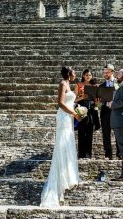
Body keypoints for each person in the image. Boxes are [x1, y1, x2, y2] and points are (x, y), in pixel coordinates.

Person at [40, 66, 81, 207]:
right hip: (64, 116)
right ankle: (59, 180)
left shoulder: (69, 84)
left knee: (67, 143)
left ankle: (67, 176)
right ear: (69, 74)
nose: (76, 75)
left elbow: (70, 101)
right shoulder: (63, 84)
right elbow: (61, 103)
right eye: (74, 73)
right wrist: (75, 113)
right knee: (62, 143)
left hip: (68, 116)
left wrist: (79, 103)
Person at [74, 69, 100, 159]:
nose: (88, 76)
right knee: (81, 132)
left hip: (92, 110)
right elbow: (74, 100)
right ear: (83, 76)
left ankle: (88, 154)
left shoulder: (95, 86)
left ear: (92, 76)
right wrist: (82, 97)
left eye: (89, 75)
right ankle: (81, 154)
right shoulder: (78, 85)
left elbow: (97, 102)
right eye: (86, 75)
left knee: (89, 132)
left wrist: (97, 102)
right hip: (81, 109)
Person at [100, 64, 120, 160]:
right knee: (106, 133)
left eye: (107, 72)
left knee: (118, 132)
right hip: (105, 112)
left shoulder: (119, 83)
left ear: (112, 72)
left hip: (116, 111)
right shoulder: (101, 86)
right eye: (104, 72)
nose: (105, 74)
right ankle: (108, 154)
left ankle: (119, 153)